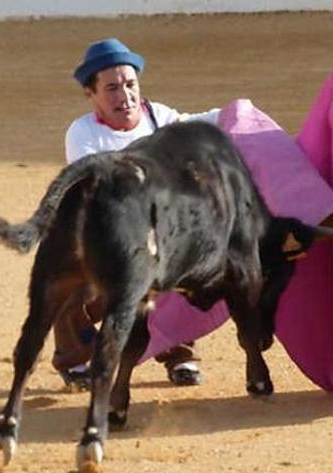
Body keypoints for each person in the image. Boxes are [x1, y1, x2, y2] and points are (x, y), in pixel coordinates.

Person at [53, 38, 221, 388]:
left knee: (180, 269)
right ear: (91, 95)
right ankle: (76, 358)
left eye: (130, 85)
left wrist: (237, 114)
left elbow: (204, 125)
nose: (124, 96)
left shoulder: (160, 117)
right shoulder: (83, 132)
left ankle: (179, 354)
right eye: (111, 88)